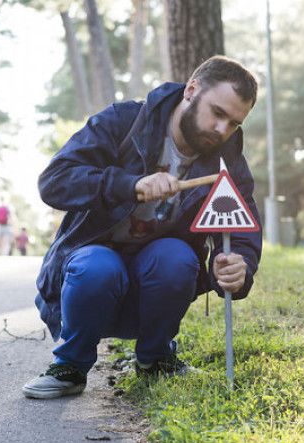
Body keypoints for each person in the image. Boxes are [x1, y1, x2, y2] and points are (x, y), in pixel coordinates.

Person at [22, 56, 263, 399]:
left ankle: (156, 358)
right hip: (89, 277)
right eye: (218, 113)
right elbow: (54, 182)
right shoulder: (123, 121)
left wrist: (241, 266)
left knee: (176, 257)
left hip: (154, 284)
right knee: (99, 266)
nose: (222, 130)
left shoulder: (228, 160)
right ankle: (70, 367)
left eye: (234, 123)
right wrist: (129, 185)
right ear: (191, 91)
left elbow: (242, 228)